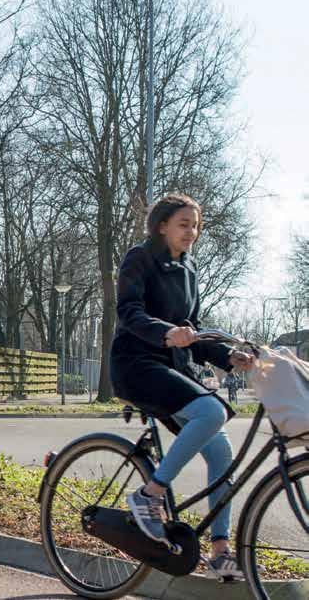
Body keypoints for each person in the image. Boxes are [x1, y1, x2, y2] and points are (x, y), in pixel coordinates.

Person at [111, 193, 255, 580]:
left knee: (221, 448)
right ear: (162, 226)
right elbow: (129, 311)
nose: (192, 232)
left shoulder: (188, 270)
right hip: (137, 364)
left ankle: (221, 551)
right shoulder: (139, 258)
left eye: (196, 225)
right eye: (184, 224)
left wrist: (228, 357)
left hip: (173, 367)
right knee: (211, 411)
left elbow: (193, 332)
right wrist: (165, 332)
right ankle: (149, 495)